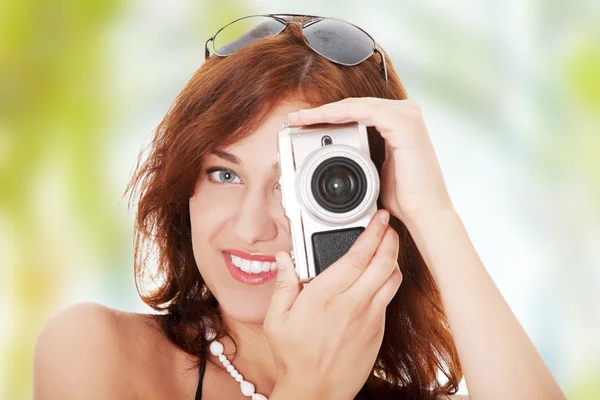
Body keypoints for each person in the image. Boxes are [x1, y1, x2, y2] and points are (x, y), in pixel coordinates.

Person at [32, 14, 566, 400]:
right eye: (224, 174)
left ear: (368, 198)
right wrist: (313, 388)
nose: (251, 226)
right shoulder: (97, 352)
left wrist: (434, 216)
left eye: (295, 185)